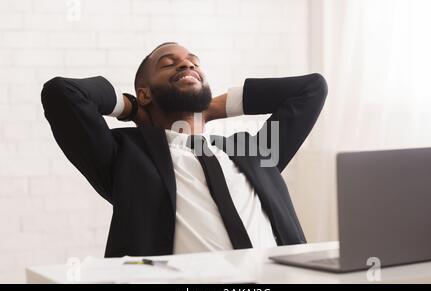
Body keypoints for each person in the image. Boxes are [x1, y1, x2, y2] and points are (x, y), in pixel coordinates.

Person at [41, 42, 328, 257]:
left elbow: (312, 89)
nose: (186, 65)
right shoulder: (125, 157)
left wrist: (215, 107)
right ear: (145, 92)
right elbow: (62, 93)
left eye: (194, 63)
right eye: (168, 63)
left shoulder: (254, 151)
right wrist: (133, 109)